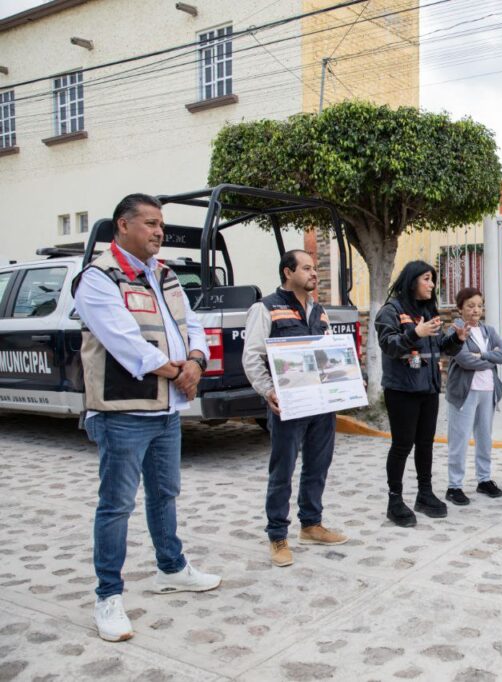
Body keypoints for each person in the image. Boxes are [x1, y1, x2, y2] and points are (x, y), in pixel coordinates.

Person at [72, 194, 220, 643]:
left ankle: (171, 568)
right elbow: (125, 342)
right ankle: (108, 596)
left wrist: (196, 361)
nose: (159, 231)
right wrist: (180, 372)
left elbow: (192, 324)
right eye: (151, 223)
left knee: (165, 494)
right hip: (124, 411)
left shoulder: (165, 274)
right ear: (123, 225)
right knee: (116, 504)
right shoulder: (98, 278)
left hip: (167, 409)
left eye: (161, 224)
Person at [242, 249, 348, 569]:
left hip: (322, 404)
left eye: (314, 268)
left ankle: (311, 525)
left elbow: (329, 353)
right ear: (288, 273)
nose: (314, 273)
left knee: (318, 465)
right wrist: (268, 391)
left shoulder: (319, 310)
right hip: (288, 405)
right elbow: (252, 356)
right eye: (306, 268)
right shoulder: (265, 308)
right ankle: (277, 535)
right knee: (282, 470)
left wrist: (343, 382)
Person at [376, 260, 466, 527]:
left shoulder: (427, 310)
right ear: (412, 280)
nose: (432, 284)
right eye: (426, 278)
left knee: (425, 443)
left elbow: (439, 347)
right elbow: (389, 345)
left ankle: (424, 494)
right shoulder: (391, 311)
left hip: (428, 388)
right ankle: (394, 501)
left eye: (432, 279)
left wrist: (456, 339)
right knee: (402, 445)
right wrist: (415, 333)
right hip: (402, 390)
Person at [442, 287, 502, 505]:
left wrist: (481, 355)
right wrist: (491, 359)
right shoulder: (455, 330)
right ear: (460, 308)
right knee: (459, 438)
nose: (476, 310)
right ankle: (454, 486)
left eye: (479, 306)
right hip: (464, 392)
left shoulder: (488, 330)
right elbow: (464, 360)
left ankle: (484, 479)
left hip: (488, 391)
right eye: (470, 306)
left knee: (484, 437)